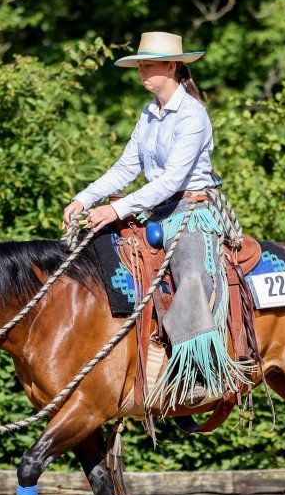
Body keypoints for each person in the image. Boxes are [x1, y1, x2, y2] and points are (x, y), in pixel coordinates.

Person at [63, 31, 252, 412]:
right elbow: (125, 167)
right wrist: (85, 197)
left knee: (192, 273)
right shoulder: (148, 114)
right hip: (155, 210)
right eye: (139, 65)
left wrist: (116, 209)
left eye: (148, 65)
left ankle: (201, 371)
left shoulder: (193, 115)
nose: (142, 72)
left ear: (171, 66)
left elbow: (174, 179)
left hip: (191, 211)